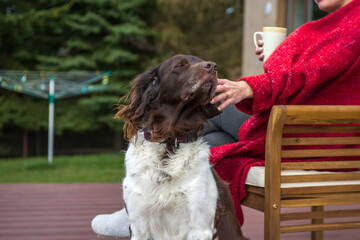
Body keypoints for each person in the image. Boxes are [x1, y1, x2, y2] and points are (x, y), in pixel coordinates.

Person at [92, 0, 360, 236]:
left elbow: (307, 74)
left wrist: (251, 87)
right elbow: (319, 78)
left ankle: (136, 209)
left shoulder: (353, 23)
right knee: (207, 139)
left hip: (302, 134)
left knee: (212, 109)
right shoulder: (329, 26)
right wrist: (275, 57)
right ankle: (147, 209)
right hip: (304, 129)